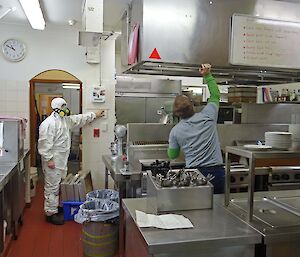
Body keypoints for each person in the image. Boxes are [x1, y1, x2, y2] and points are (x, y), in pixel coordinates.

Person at [38, 97, 104, 225]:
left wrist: (94, 115)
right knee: (52, 187)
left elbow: (80, 119)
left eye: (65, 106)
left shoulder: (65, 120)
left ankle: (55, 207)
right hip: (53, 162)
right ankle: (50, 213)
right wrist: (49, 160)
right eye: (63, 107)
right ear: (56, 108)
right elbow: (44, 144)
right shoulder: (48, 124)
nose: (65, 109)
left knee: (59, 185)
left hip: (61, 161)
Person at [168, 64, 224, 194]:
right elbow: (215, 94)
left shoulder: (175, 131)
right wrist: (207, 75)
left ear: (177, 114)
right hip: (217, 172)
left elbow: (173, 155)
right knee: (218, 208)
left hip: (193, 174)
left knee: (196, 207)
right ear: (192, 106)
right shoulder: (209, 115)